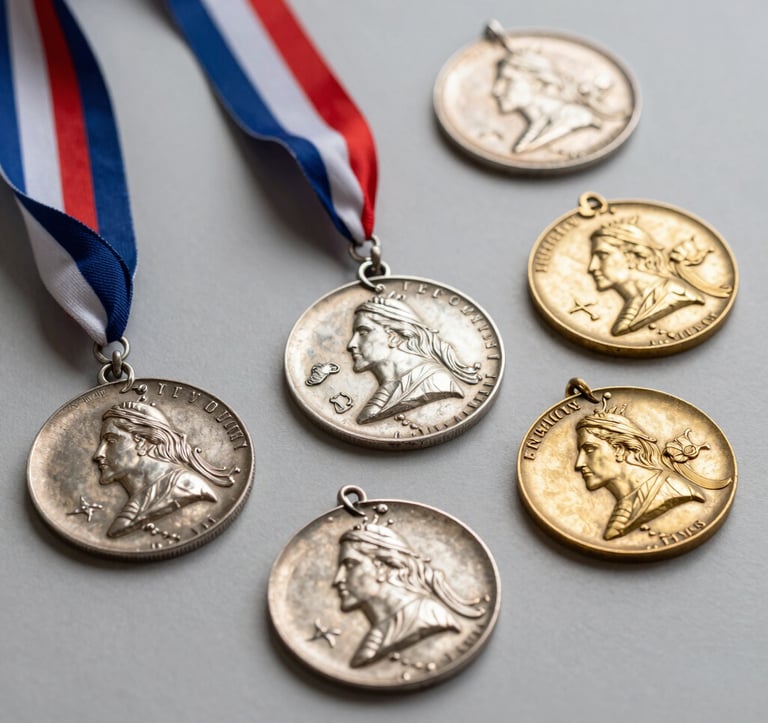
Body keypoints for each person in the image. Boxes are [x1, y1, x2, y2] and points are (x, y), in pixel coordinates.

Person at [333, 517, 486, 667]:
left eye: (350, 565)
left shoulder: (429, 618)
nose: (337, 579)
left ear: (381, 567)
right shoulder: (377, 636)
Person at [92, 401, 238, 537]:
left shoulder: (188, 488)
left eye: (111, 441)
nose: (98, 454)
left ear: (142, 442)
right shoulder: (137, 503)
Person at [574, 401, 708, 540]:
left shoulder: (674, 491)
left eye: (589, 450)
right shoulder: (625, 506)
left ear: (620, 449)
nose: (578, 464)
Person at [346, 297, 480, 424]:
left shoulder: (436, 384)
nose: (351, 344)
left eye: (363, 333)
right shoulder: (387, 390)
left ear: (393, 337)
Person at [588, 220, 704, 335]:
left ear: (631, 256)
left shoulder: (677, 294)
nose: (592, 267)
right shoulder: (631, 309)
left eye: (602, 255)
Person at [491, 46, 613, 153]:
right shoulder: (539, 123)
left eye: (507, 81)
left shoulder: (575, 117)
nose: (496, 91)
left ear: (535, 83)